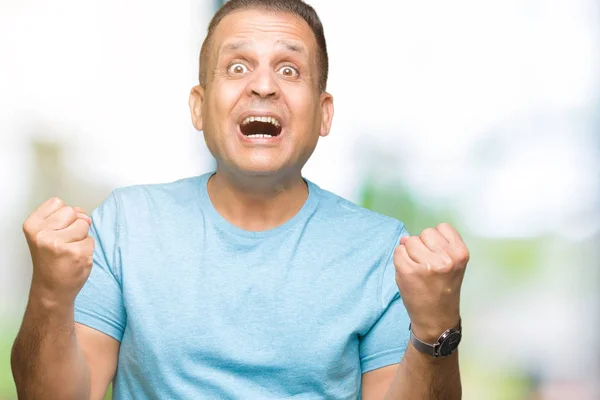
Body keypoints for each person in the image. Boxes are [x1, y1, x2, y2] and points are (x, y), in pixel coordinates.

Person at [11, 0, 470, 398]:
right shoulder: (124, 225)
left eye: (289, 70)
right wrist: (50, 295)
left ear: (323, 114)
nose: (263, 86)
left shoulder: (381, 251)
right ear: (199, 106)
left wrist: (435, 330)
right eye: (237, 67)